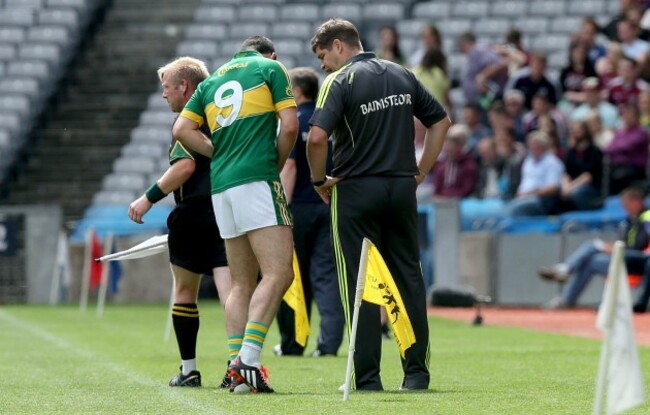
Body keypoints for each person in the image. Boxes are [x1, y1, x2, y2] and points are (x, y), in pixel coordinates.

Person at [307, 18, 451, 391]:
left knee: (358, 283)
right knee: (409, 280)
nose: (323, 65)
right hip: (402, 189)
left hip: (356, 191)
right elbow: (441, 122)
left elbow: (317, 136)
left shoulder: (338, 82)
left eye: (323, 56)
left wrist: (319, 180)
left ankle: (368, 379)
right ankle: (416, 374)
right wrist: (420, 172)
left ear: (339, 46)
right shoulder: (401, 72)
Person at [172, 36, 299, 393]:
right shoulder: (270, 68)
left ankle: (236, 371)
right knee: (279, 273)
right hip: (257, 178)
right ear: (271, 54)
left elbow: (180, 129)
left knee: (241, 283)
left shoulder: (211, 81)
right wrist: (275, 161)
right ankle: (247, 359)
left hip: (221, 187)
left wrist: (217, 153)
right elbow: (289, 127)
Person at [128, 57, 231, 388]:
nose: (163, 95)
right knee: (233, 292)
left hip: (193, 215)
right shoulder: (222, 119)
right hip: (228, 209)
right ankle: (238, 369)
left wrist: (147, 198)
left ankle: (189, 371)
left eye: (166, 88)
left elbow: (184, 169)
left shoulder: (188, 124)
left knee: (186, 292)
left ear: (184, 87)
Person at [275, 67, 344, 357]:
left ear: (298, 92)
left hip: (300, 206)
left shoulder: (295, 121)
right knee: (326, 276)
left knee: (290, 275)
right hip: (330, 205)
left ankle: (293, 343)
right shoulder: (329, 121)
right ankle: (327, 345)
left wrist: (282, 209)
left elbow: (289, 166)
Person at [539, 186, 650, 309]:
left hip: (642, 260)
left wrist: (616, 249)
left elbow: (642, 245)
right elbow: (626, 242)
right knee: (593, 261)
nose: (625, 209)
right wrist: (614, 248)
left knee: (593, 245)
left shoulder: (647, 216)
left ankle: (565, 268)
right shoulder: (629, 221)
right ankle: (566, 300)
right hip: (626, 259)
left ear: (637, 201)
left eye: (627, 205)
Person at [505, 131, 564, 217]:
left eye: (537, 145)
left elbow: (554, 188)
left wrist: (532, 192)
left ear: (544, 147)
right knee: (504, 206)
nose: (533, 147)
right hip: (524, 197)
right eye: (532, 145)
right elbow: (524, 182)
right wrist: (520, 193)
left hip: (542, 199)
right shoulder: (528, 162)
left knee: (514, 208)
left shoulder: (552, 162)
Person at [605, 102, 649, 195]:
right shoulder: (620, 133)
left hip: (634, 169)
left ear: (636, 116)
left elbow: (627, 146)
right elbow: (608, 149)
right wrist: (619, 147)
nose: (627, 117)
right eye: (625, 114)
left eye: (630, 114)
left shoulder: (641, 132)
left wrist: (617, 147)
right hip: (616, 166)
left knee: (619, 176)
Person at [561, 120, 604, 211]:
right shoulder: (571, 152)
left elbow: (587, 176)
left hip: (590, 187)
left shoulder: (594, 150)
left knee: (577, 192)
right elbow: (566, 173)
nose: (576, 133)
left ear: (585, 131)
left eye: (578, 130)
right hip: (573, 185)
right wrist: (566, 187)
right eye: (573, 130)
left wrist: (571, 188)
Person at [432, 125, 478, 198]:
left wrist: (450, 196)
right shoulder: (440, 166)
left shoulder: (469, 166)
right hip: (442, 202)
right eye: (447, 149)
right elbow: (437, 190)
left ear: (460, 148)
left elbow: (467, 190)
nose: (449, 151)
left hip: (461, 202)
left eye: (451, 149)